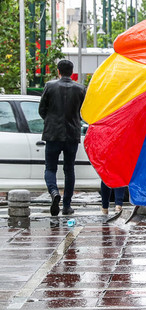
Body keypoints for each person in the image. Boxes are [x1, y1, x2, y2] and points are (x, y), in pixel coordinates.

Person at [39, 59, 86, 216]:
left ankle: (53, 192)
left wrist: (50, 121)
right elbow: (83, 111)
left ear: (58, 71)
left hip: (52, 134)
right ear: (71, 72)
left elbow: (42, 109)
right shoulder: (80, 89)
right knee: (69, 169)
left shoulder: (50, 86)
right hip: (72, 134)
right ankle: (66, 205)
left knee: (50, 167)